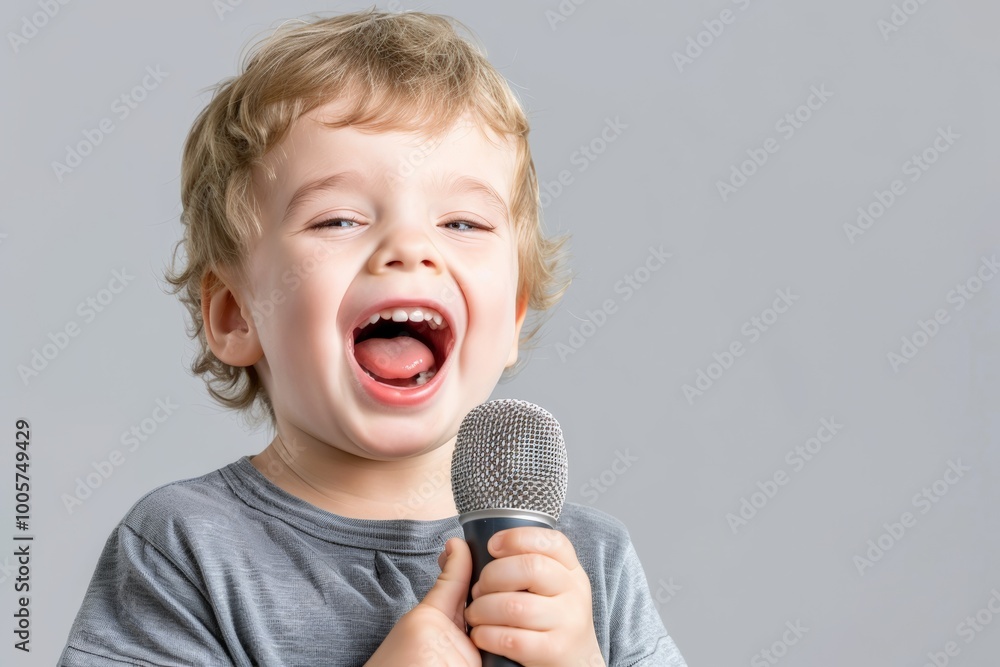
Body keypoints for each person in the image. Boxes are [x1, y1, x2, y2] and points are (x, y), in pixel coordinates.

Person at [59, 8, 687, 666]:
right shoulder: (184, 549)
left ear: (513, 318)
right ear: (235, 315)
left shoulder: (591, 565)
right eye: (338, 219)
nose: (410, 248)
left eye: (463, 223)